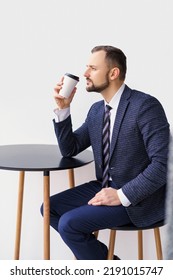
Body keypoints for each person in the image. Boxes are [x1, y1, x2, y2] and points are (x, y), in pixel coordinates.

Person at [41, 45, 170, 260]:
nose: (85, 74)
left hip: (141, 198)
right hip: (104, 186)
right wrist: (63, 108)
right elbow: (70, 148)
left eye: (92, 68)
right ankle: (110, 267)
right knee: (49, 209)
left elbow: (163, 165)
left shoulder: (145, 106)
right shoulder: (97, 111)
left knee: (69, 223)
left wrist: (120, 195)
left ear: (113, 73)